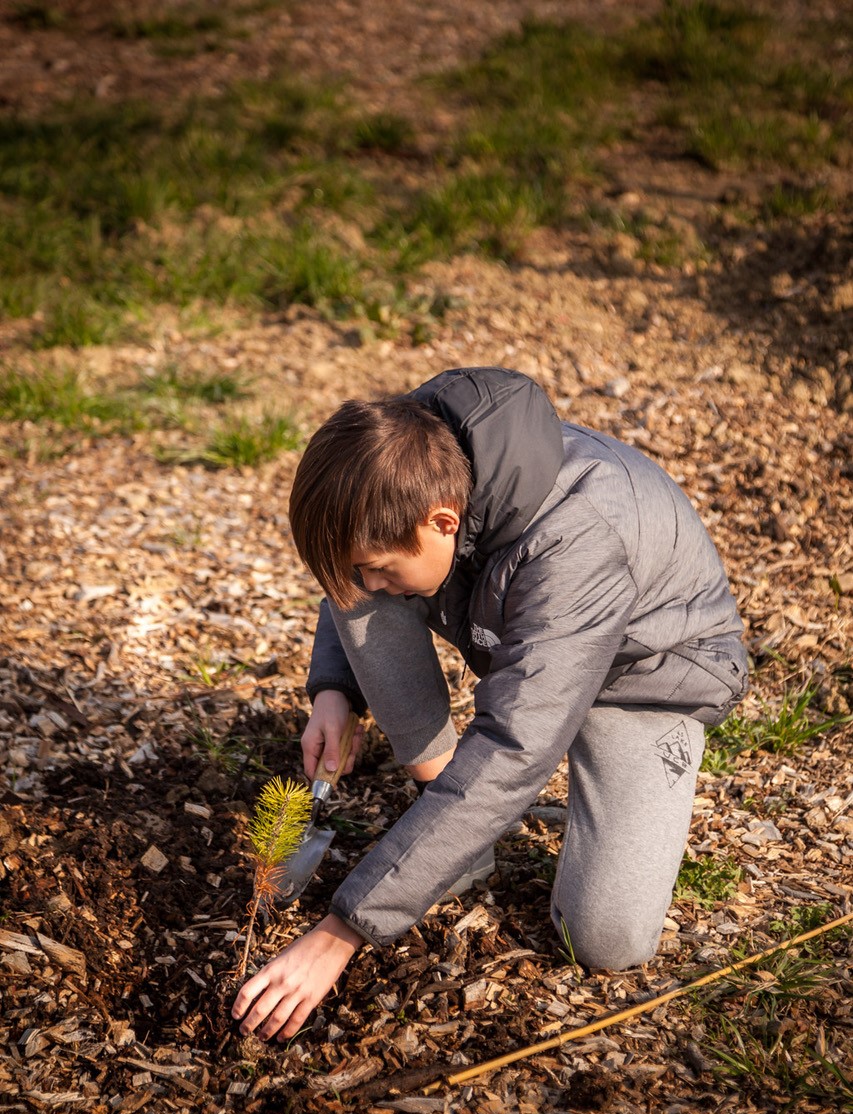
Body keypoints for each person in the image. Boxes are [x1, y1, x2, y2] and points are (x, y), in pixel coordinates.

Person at [231, 367, 748, 1043]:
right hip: (529, 636)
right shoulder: (407, 466)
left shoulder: (574, 541)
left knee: (606, 939)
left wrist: (342, 930)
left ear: (444, 521)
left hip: (646, 675)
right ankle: (454, 839)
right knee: (361, 600)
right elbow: (355, 584)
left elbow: (513, 746)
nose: (367, 584)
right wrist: (337, 691)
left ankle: (457, 830)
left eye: (379, 565)